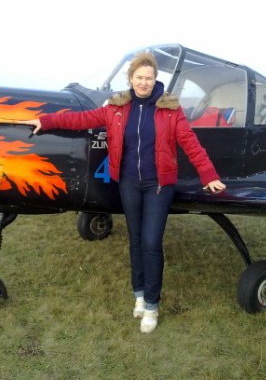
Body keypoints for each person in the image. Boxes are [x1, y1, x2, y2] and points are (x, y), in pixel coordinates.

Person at [19, 51, 226, 333]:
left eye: (149, 78)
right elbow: (82, 119)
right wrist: (46, 121)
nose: (144, 83)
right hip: (128, 183)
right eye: (139, 77)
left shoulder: (169, 109)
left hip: (159, 185)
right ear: (131, 79)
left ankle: (152, 305)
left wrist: (209, 174)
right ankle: (139, 294)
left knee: (151, 243)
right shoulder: (117, 108)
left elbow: (190, 142)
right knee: (136, 240)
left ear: (155, 79)